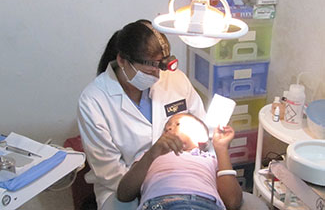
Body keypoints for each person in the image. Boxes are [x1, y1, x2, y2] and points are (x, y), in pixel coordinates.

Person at [77, 19, 206, 210]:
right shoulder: (93, 101)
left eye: (160, 67)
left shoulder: (175, 79)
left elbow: (202, 128)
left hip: (183, 176)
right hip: (124, 190)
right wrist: (156, 182)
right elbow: (110, 173)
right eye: (149, 70)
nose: (157, 76)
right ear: (122, 60)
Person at [117, 113, 243, 210]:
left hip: (203, 204)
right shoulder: (150, 157)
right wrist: (151, 155)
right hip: (160, 204)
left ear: (202, 136)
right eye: (166, 129)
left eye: (177, 124)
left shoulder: (210, 159)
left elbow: (233, 202)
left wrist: (221, 149)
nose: (169, 128)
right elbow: (124, 194)